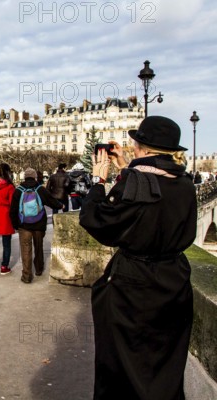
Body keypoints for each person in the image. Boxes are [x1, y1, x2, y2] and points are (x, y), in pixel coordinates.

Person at [79, 116, 196, 400]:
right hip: (174, 280)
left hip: (134, 285)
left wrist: (99, 180)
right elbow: (149, 197)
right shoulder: (185, 183)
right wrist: (126, 167)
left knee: (123, 367)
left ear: (140, 145)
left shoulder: (135, 180)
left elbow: (96, 220)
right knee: (164, 366)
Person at [9, 168, 64, 283]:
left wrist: (16, 225)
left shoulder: (18, 190)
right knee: (38, 247)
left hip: (24, 225)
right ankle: (39, 269)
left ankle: (27, 276)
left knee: (25, 250)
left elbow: (13, 210)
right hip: (39, 224)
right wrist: (60, 206)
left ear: (25, 177)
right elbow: (51, 200)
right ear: (34, 177)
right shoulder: (40, 189)